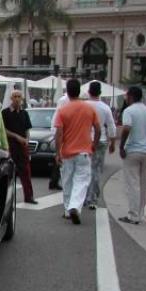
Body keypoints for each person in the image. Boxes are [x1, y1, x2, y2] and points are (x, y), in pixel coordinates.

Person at [54, 79, 101, 225]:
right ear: (79, 91)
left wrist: (57, 152)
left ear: (67, 92)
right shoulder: (89, 108)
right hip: (84, 151)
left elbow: (59, 133)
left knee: (67, 180)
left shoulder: (63, 110)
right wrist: (94, 144)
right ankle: (75, 206)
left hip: (67, 152)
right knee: (81, 181)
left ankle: (68, 210)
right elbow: (98, 129)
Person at [118, 86, 146, 224]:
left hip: (133, 151)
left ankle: (133, 214)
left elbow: (127, 128)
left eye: (126, 96)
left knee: (132, 183)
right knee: (143, 183)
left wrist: (122, 146)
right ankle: (140, 214)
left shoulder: (129, 111)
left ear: (130, 97)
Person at [84, 82, 117, 210]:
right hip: (101, 141)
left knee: (84, 170)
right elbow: (111, 126)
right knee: (96, 170)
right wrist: (113, 142)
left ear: (89, 92)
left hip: (84, 141)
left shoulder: (84, 106)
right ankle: (93, 199)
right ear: (100, 93)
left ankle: (83, 196)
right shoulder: (105, 107)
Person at [2, 90, 37, 204]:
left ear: (21, 99)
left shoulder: (24, 113)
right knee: (8, 173)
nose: (17, 99)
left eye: (19, 97)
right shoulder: (5, 113)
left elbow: (27, 129)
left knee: (26, 172)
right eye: (15, 97)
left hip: (22, 146)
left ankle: (29, 196)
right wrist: (17, 136)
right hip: (10, 145)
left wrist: (26, 139)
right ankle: (6, 198)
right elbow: (4, 130)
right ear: (11, 98)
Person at [49, 93, 70, 190]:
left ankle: (54, 181)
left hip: (61, 130)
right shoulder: (64, 100)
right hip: (62, 131)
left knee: (59, 158)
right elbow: (59, 114)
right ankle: (54, 181)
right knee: (60, 158)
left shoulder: (63, 99)